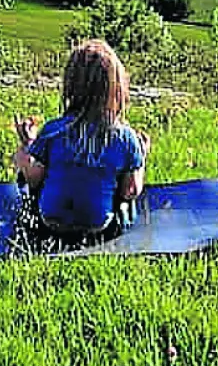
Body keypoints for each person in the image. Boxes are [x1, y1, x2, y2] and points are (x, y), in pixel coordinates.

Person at [10, 39, 150, 237]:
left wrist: (27, 146)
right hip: (99, 227)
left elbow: (33, 179)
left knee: (31, 176)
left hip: (49, 223)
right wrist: (141, 157)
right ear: (116, 87)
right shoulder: (126, 138)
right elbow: (131, 190)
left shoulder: (53, 130)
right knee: (125, 198)